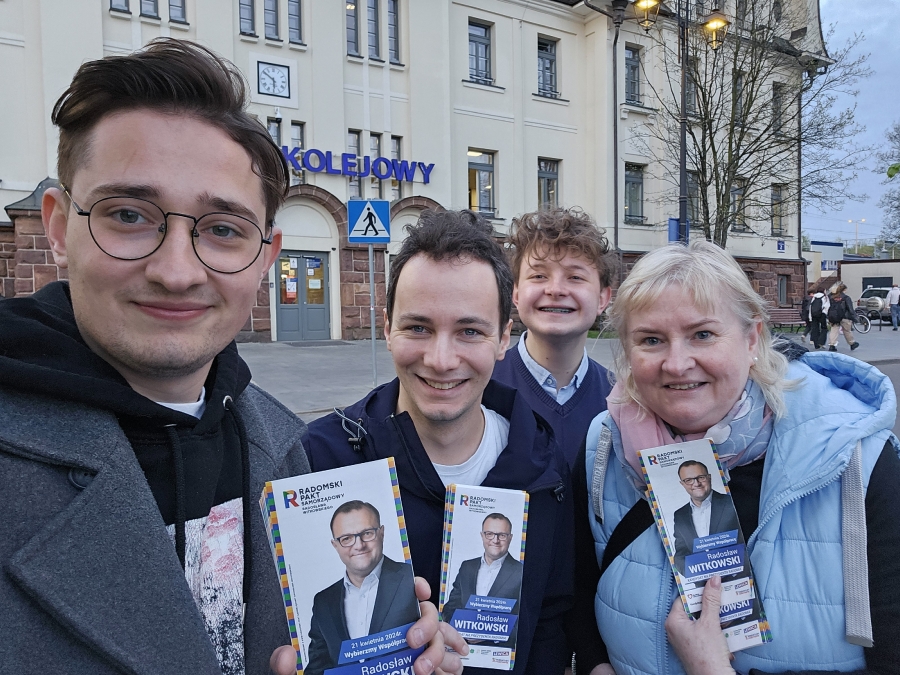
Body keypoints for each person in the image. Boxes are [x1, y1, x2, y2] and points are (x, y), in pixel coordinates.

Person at [0, 39, 464, 675]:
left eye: (222, 229)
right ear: (58, 227)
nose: (176, 271)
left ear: (266, 257)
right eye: (128, 215)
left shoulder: (285, 449)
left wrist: (392, 657)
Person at [571, 240, 900, 675]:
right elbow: (578, 589)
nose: (676, 363)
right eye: (651, 339)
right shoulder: (604, 447)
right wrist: (595, 664)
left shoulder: (857, 462)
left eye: (702, 335)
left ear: (751, 339)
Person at [303, 210, 574, 675]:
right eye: (418, 328)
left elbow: (550, 620)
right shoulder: (321, 460)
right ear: (387, 328)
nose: (442, 359)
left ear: (504, 338)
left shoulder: (544, 465)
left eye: (469, 331)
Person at [492, 208, 615, 468]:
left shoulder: (621, 402)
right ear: (516, 293)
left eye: (575, 277)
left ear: (602, 298)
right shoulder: (481, 387)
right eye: (538, 275)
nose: (556, 290)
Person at [305, 501, 419, 675]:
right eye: (346, 539)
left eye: (367, 533)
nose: (359, 545)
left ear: (381, 533)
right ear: (335, 545)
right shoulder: (323, 602)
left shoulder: (411, 577)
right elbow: (317, 667)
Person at [441, 513, 524, 637]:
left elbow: (525, 617)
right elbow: (450, 607)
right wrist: (460, 630)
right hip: (461, 643)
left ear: (510, 538)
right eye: (489, 534)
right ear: (482, 535)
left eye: (502, 535)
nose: (495, 540)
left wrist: (489, 633)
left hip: (500, 646)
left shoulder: (521, 571)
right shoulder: (467, 567)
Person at [671, 461, 740, 575]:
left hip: (738, 577)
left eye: (701, 477)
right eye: (688, 480)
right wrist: (698, 577)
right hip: (701, 582)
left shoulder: (730, 502)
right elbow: (680, 554)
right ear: (682, 483)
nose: (696, 483)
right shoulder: (679, 515)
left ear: (709, 477)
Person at [827, 284, 860, 352]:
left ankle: (832, 345)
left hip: (834, 316)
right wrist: (854, 317)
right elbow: (850, 309)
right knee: (847, 331)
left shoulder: (831, 297)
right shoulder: (846, 298)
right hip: (845, 317)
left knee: (834, 330)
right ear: (844, 290)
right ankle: (852, 343)